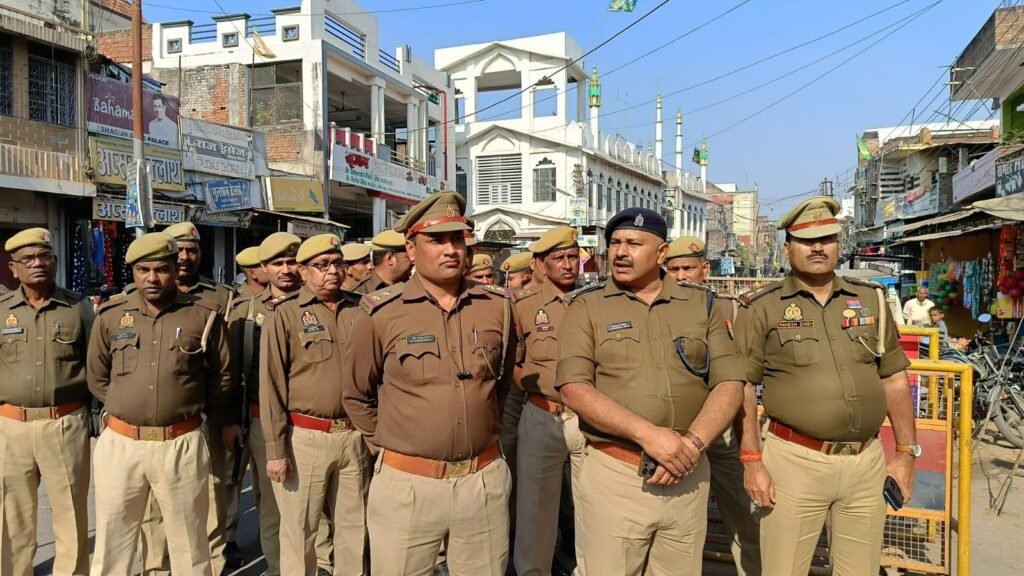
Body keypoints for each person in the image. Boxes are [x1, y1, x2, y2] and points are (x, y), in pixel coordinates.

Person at [735, 196, 918, 576]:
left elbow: (894, 377)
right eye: (806, 240)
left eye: (827, 238)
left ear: (838, 244)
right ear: (787, 248)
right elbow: (742, 388)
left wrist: (905, 454)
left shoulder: (869, 299)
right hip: (794, 461)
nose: (817, 247)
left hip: (865, 462)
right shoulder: (761, 307)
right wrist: (752, 461)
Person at [556, 208, 745, 575]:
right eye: (615, 243)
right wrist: (649, 436)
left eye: (633, 243)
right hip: (618, 474)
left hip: (688, 475)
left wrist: (691, 445)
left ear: (661, 253)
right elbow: (574, 388)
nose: (620, 252)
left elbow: (730, 382)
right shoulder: (587, 306)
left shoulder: (701, 304)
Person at [342, 192, 517, 576]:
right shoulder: (380, 313)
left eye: (457, 239)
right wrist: (395, 445)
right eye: (436, 240)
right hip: (408, 486)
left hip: (482, 482)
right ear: (411, 248)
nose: (450, 250)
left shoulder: (498, 307)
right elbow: (356, 395)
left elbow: (500, 386)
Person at [87, 232, 231, 575]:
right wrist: (130, 407)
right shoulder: (110, 315)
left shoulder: (204, 315)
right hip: (121, 444)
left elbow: (222, 375)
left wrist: (188, 409)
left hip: (181, 444)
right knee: (112, 541)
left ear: (175, 270)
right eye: (143, 270)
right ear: (133, 272)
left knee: (189, 543)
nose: (152, 278)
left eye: (161, 269)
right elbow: (97, 376)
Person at [260, 233, 371, 575]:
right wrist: (276, 450)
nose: (332, 271)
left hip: (355, 436)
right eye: (322, 265)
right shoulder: (285, 313)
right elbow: (271, 384)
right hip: (306, 438)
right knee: (301, 532)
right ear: (303, 270)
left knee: (355, 530)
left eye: (337, 263)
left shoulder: (362, 308)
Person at [138, 221, 237, 575]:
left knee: (209, 492)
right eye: (178, 250)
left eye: (191, 251)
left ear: (200, 255)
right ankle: (157, 566)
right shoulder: (139, 296)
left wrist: (227, 417)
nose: (184, 257)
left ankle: (211, 563)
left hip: (208, 412)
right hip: (160, 416)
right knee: (155, 501)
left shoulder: (221, 297)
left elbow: (227, 365)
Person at [662, 235, 761, 576]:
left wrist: (750, 447)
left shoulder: (729, 308)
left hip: (725, 431)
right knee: (674, 521)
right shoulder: (657, 308)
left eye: (688, 268)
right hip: (677, 429)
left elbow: (744, 379)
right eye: (673, 269)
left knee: (744, 517)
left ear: (704, 269)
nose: (681, 276)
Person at [0, 228, 92, 575]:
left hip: (65, 424)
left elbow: (96, 364)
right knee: (11, 515)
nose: (37, 263)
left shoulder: (78, 307)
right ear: (13, 268)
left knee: (70, 511)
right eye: (28, 259)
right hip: (11, 427)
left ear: (54, 262)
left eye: (45, 256)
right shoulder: (1, 311)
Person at [223, 232, 303, 576]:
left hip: (310, 422)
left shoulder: (321, 303)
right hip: (261, 420)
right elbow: (232, 373)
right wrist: (233, 419)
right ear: (263, 268)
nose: (286, 270)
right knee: (273, 506)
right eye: (278, 263)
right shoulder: (246, 312)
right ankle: (278, 568)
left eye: (292, 261)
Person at [511, 226, 586, 576]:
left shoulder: (595, 301)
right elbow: (511, 363)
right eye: (559, 258)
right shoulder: (523, 306)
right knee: (535, 511)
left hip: (589, 419)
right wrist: (534, 388)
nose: (568, 265)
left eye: (573, 257)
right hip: (542, 415)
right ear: (541, 264)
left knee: (592, 508)